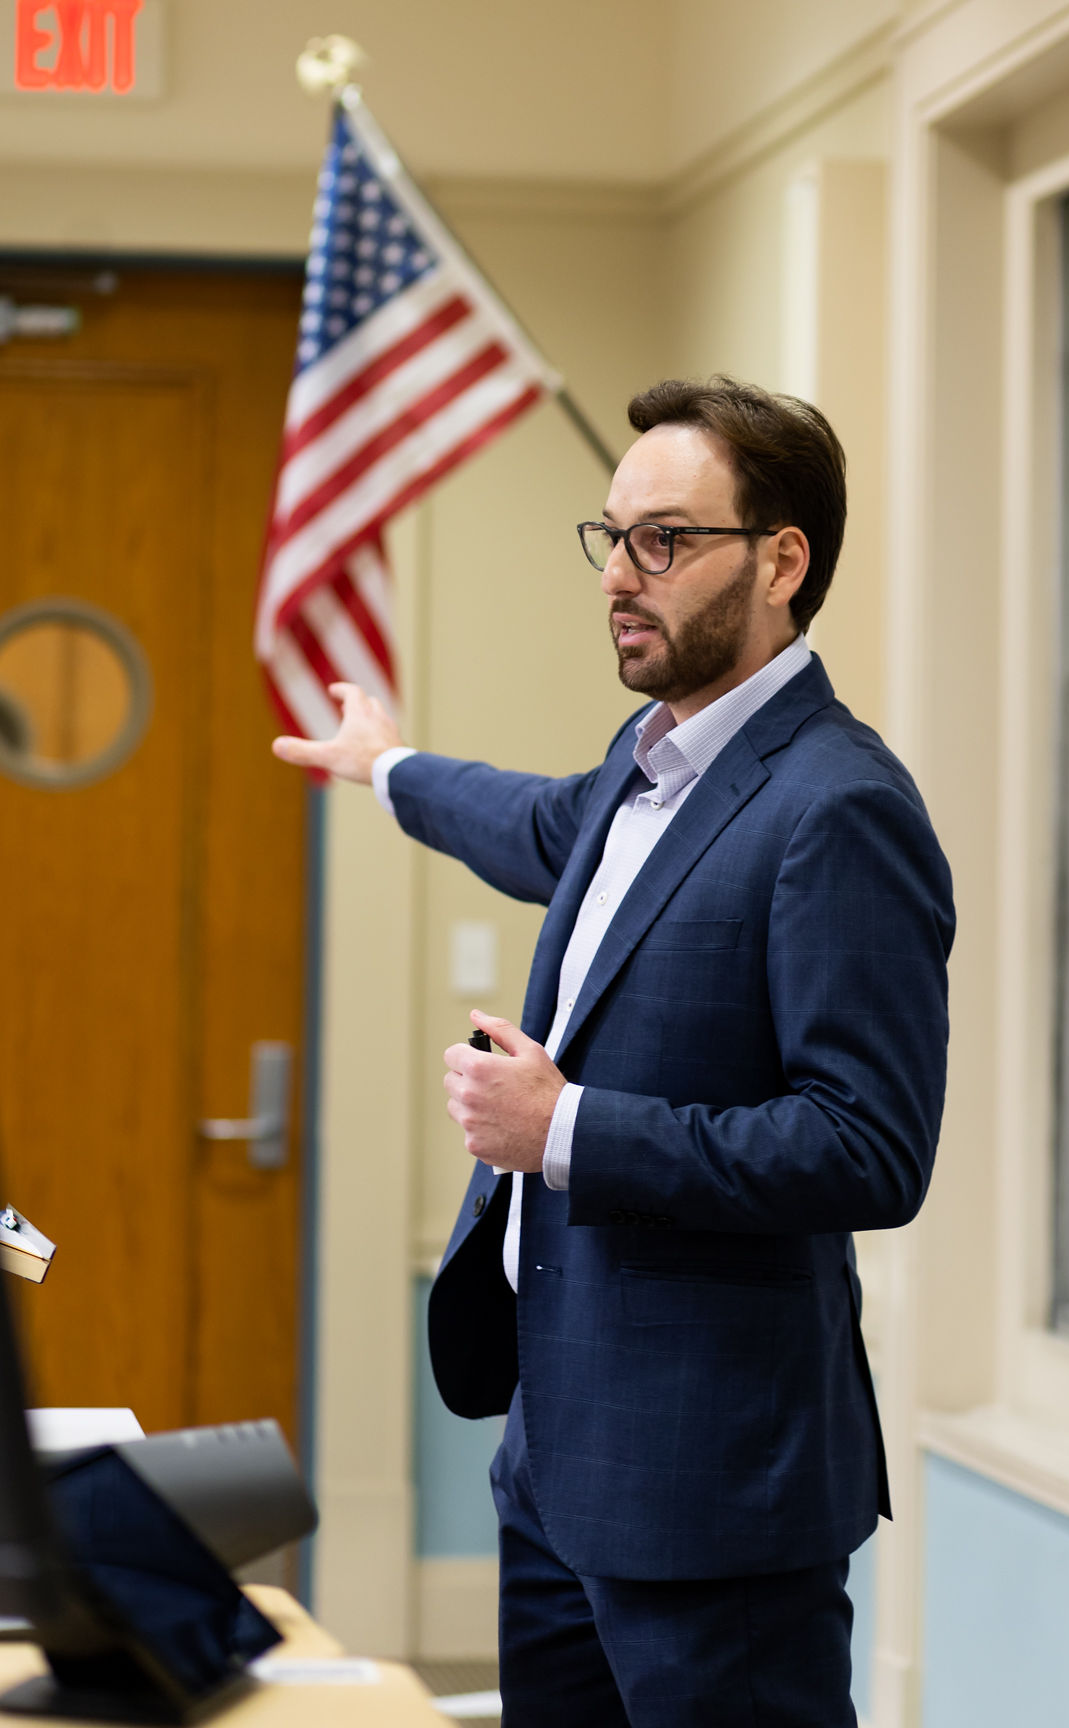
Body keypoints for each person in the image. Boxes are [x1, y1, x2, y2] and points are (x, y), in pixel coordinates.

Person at [273, 376, 953, 1728]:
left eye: (664, 540)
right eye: (611, 537)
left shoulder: (839, 809)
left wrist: (565, 1127)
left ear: (778, 560)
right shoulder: (646, 765)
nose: (619, 577)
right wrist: (388, 768)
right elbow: (539, 824)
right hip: (556, 1463)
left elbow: (867, 1148)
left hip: (714, 1493)